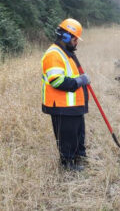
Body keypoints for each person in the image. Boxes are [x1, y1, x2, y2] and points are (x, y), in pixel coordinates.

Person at [41, 18, 90, 171]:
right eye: (75, 39)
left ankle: (78, 157)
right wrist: (79, 81)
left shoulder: (65, 53)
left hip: (72, 106)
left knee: (77, 134)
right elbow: (57, 81)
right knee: (67, 137)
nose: (77, 43)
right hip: (62, 106)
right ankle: (68, 165)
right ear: (67, 37)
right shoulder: (54, 54)